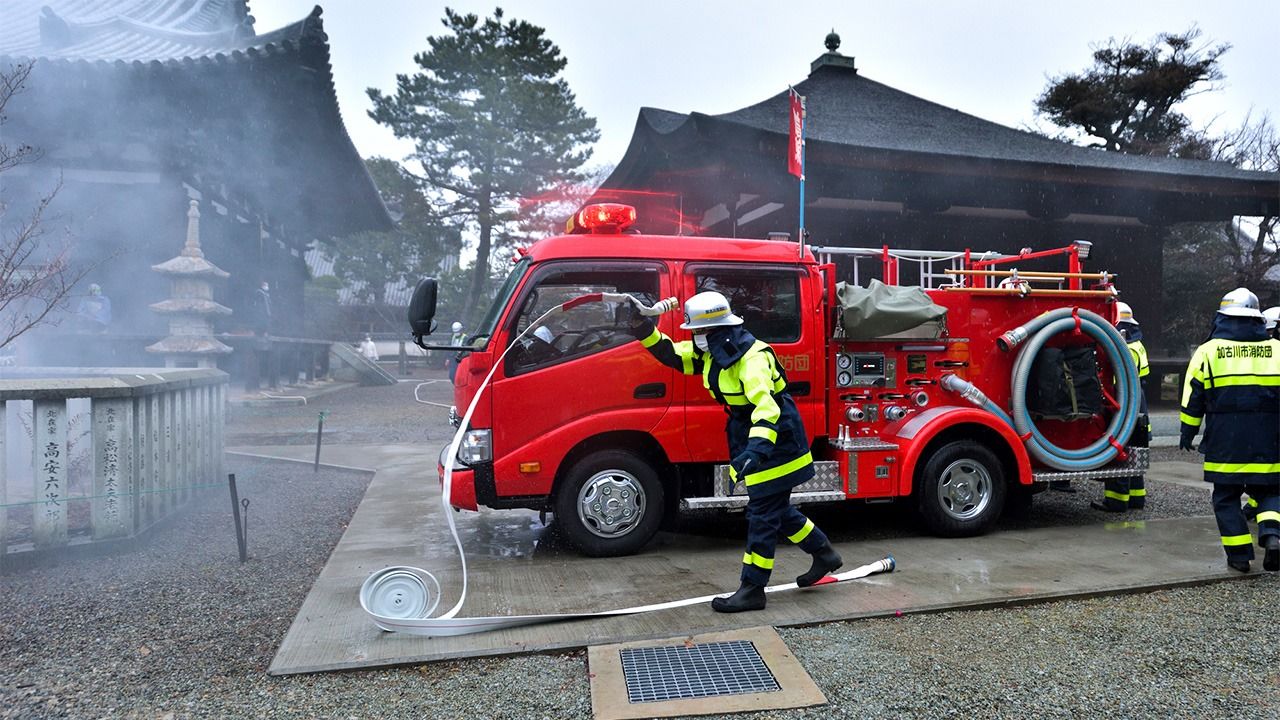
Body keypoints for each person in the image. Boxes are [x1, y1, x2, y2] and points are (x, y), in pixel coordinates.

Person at [629, 291, 842, 612]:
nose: (695, 337)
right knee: (776, 510)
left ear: (715, 329)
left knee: (762, 515)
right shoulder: (715, 351)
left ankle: (753, 588)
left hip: (776, 442)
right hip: (756, 437)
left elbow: (767, 408)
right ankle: (824, 554)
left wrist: (756, 450)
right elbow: (674, 355)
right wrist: (644, 329)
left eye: (698, 331)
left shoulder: (751, 359)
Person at [1179, 288, 1280, 573]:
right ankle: (1272, 535)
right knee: (1271, 490)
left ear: (1222, 317)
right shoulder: (1277, 349)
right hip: (1269, 438)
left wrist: (1188, 431)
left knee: (1226, 498)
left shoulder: (1207, 351)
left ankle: (1239, 557)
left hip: (1225, 438)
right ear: (1257, 318)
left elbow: (1193, 396)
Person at [1092, 301, 1150, 512]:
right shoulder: (1138, 345)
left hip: (1123, 406)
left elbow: (1116, 381)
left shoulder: (1121, 347)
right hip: (1139, 404)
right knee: (1135, 454)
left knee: (1119, 451)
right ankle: (1137, 499)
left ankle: (1116, 501)